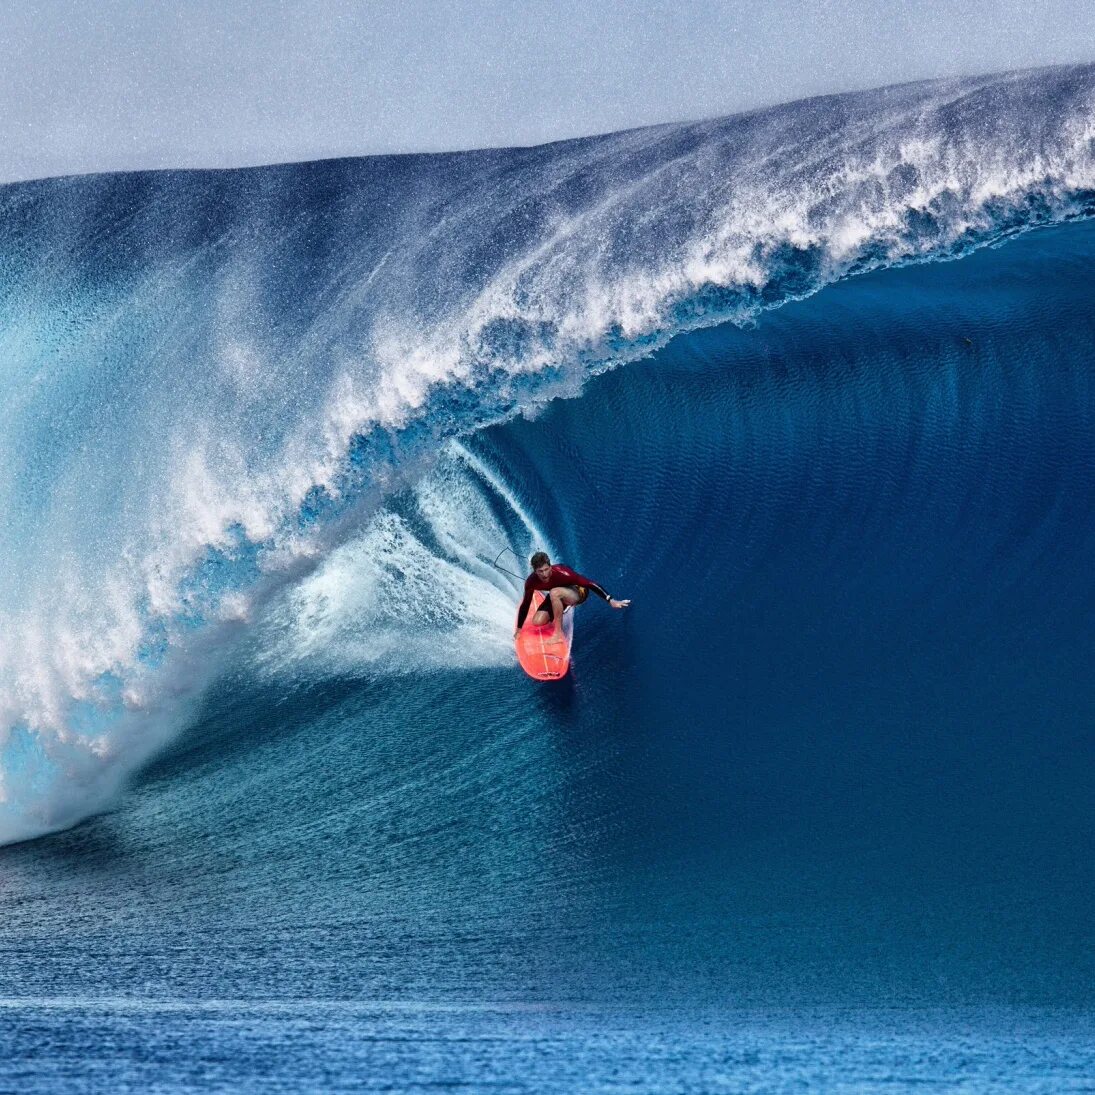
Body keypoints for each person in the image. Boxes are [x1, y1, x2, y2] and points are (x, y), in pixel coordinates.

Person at [514, 551, 630, 639]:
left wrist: (611, 600)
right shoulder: (531, 582)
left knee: (555, 592)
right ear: (535, 571)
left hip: (578, 591)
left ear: (550, 566)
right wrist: (519, 629)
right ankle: (561, 605)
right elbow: (525, 605)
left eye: (546, 569)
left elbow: (590, 583)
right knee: (537, 622)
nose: (544, 574)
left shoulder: (563, 572)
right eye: (540, 571)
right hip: (559, 592)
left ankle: (558, 633)